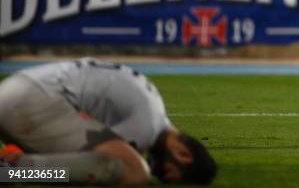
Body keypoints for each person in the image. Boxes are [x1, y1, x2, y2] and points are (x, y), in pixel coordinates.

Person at [0, 58, 217, 185]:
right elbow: (94, 161)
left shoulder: (153, 110)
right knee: (134, 171)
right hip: (32, 102)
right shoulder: (147, 128)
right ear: (183, 155)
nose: (163, 175)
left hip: (23, 90)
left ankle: (16, 167)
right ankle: (12, 170)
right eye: (171, 175)